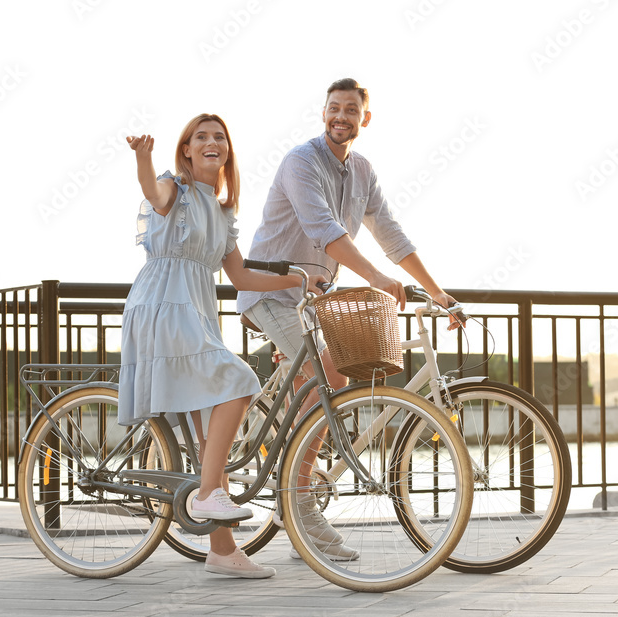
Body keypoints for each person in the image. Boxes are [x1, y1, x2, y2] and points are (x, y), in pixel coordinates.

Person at [237, 78, 461, 562]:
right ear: (322, 114)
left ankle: (294, 487)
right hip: (272, 289)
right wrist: (379, 279)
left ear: (365, 118)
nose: (342, 117)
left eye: (351, 110)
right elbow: (325, 231)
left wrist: (438, 290)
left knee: (326, 380)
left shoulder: (362, 170)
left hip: (314, 297)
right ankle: (295, 502)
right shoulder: (301, 161)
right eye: (334, 109)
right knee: (328, 376)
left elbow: (391, 233)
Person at [118, 113, 322, 579]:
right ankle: (210, 493)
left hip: (195, 313)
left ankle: (222, 550)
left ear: (227, 151)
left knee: (210, 437)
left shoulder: (222, 211)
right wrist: (143, 158)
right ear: (186, 150)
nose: (212, 142)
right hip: (164, 308)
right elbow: (153, 193)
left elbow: (242, 277)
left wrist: (298, 278)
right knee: (240, 381)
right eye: (201, 137)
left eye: (219, 137)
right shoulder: (176, 191)